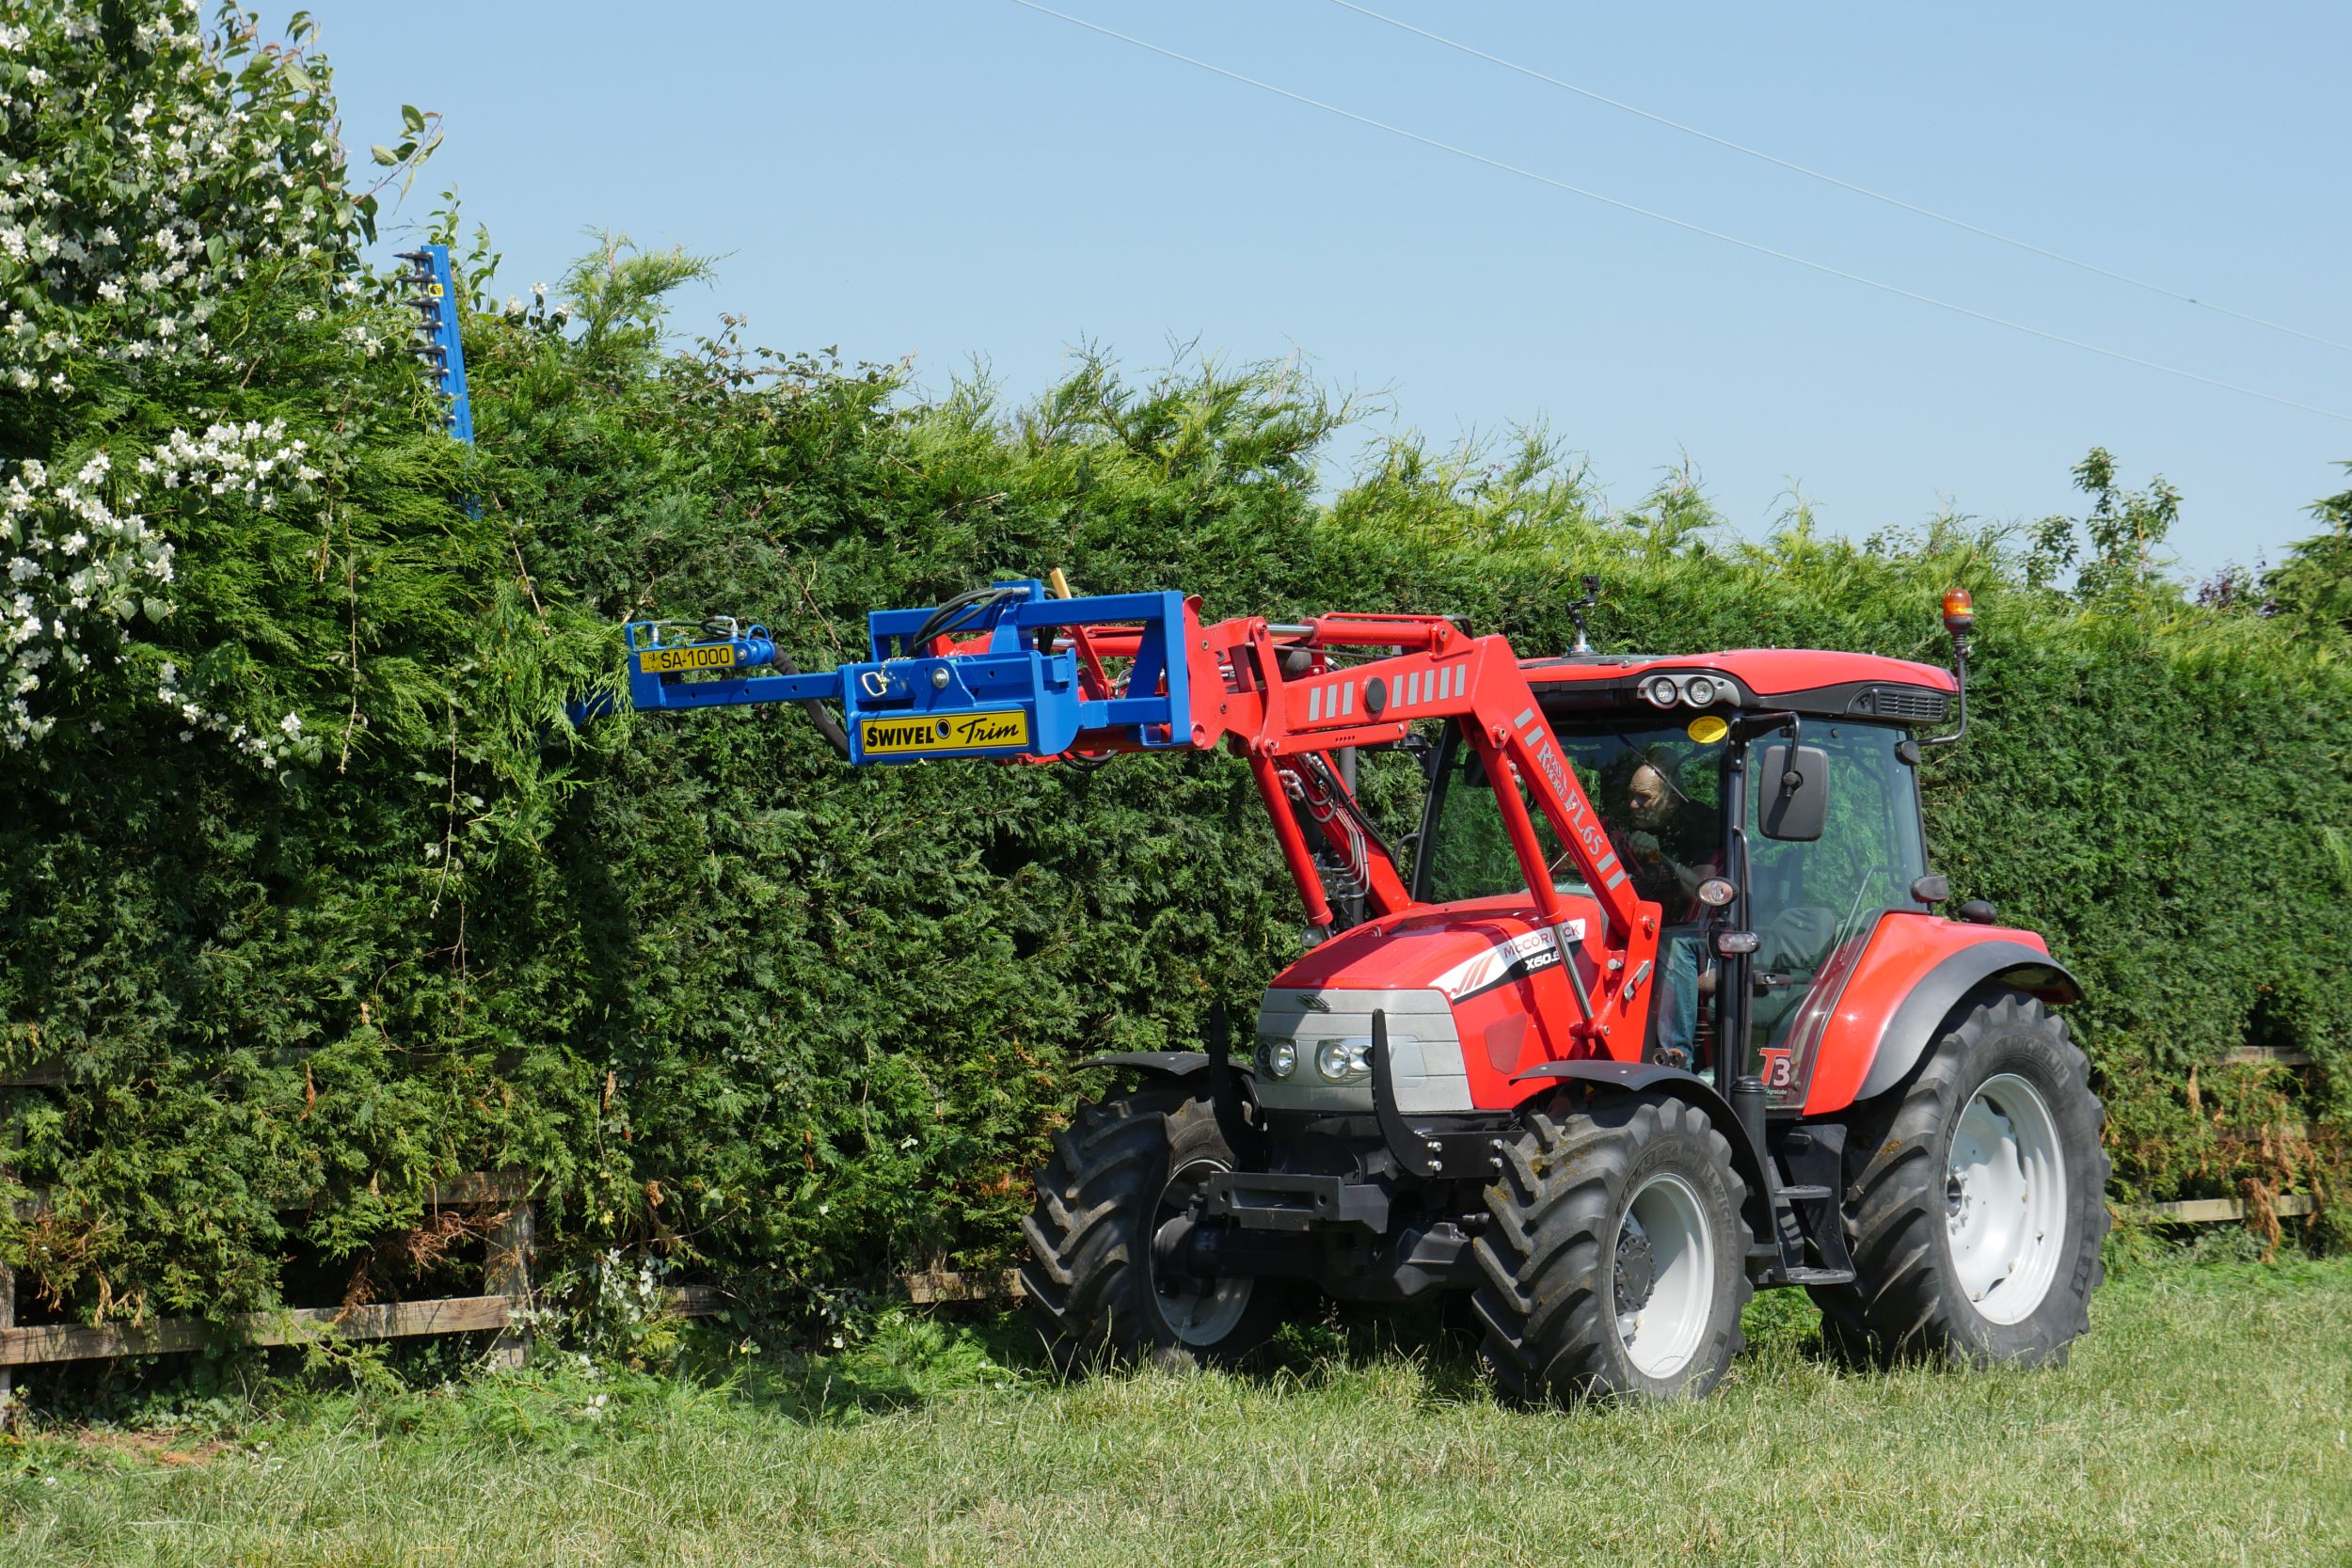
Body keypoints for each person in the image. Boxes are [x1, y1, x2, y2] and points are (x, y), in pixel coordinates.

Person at [1616, 752, 1720, 1071]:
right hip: (1639, 923)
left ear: (1672, 800)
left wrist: (1661, 858)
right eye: (1631, 797)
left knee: (1669, 943)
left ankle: (1674, 1059)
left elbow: (1703, 894)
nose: (1634, 805)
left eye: (1643, 798)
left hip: (1705, 935)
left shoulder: (1700, 827)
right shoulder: (1623, 824)